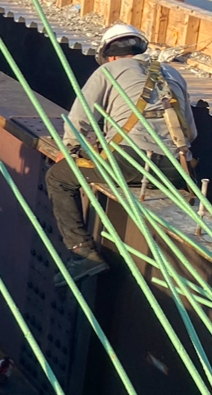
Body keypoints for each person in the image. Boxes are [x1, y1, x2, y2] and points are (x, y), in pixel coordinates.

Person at [46, 22, 198, 272]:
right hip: (175, 169)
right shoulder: (173, 74)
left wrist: (71, 149)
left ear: (110, 55)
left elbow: (80, 118)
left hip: (129, 162)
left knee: (58, 178)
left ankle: (82, 252)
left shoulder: (108, 71)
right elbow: (190, 132)